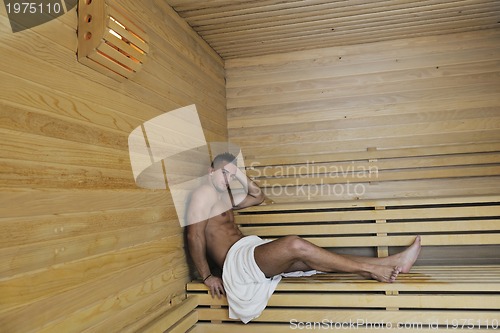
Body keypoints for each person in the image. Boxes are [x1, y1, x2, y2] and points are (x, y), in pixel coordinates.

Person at [186, 152, 421, 322]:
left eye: (230, 174)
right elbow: (194, 235)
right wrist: (207, 276)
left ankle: (392, 262)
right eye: (222, 173)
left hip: (249, 252)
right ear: (210, 172)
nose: (226, 178)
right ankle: (371, 270)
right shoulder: (203, 193)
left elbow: (258, 196)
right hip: (237, 262)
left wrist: (239, 174)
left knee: (313, 259)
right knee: (294, 244)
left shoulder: (224, 198)